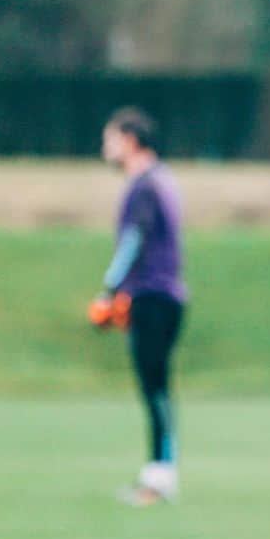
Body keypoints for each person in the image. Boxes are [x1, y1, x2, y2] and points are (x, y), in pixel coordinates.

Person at [92, 107, 187, 507]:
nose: (105, 148)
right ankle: (159, 472)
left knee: (155, 390)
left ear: (130, 140)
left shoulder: (144, 185)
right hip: (162, 297)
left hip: (153, 296)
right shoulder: (158, 179)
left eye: (110, 139)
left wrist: (109, 289)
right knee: (157, 389)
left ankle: (162, 477)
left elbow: (133, 240)